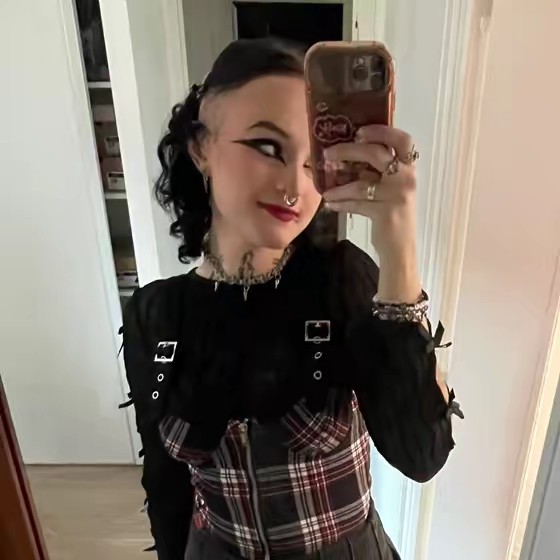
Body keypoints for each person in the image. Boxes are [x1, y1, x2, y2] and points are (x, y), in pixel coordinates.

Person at [121, 37, 463, 560]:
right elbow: (166, 485)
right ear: (201, 148)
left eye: (313, 163)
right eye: (267, 147)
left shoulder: (340, 280)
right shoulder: (156, 314)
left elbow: (422, 455)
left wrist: (399, 244)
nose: (293, 188)